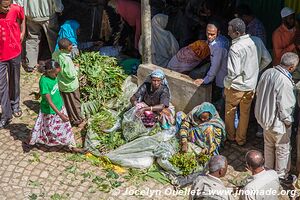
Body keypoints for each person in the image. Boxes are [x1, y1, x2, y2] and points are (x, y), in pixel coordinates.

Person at [255, 52, 299, 180]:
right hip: (278, 124)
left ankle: (268, 170)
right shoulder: (285, 81)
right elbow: (285, 107)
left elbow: (259, 91)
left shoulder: (267, 72)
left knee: (268, 145)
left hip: (265, 119)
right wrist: (288, 122)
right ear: (291, 67)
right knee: (282, 150)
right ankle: (280, 175)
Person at [29, 60, 83, 153]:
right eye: (55, 74)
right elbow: (49, 101)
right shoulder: (44, 82)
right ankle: (33, 139)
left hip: (59, 106)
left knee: (66, 128)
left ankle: (72, 146)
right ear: (49, 71)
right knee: (45, 128)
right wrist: (60, 114)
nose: (56, 76)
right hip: (50, 111)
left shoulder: (53, 76)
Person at [223, 18, 259, 146]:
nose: (228, 33)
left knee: (230, 112)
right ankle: (241, 140)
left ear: (237, 33)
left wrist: (226, 84)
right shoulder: (253, 42)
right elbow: (263, 60)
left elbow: (233, 72)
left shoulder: (235, 48)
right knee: (245, 114)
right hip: (250, 86)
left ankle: (230, 136)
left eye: (230, 31)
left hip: (236, 87)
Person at [16, 0, 64, 72]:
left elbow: (18, 2)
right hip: (48, 15)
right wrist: (59, 9)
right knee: (53, 38)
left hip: (30, 15)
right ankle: (57, 61)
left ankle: (30, 64)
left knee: (32, 38)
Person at [0, 0, 25, 128]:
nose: (8, 8)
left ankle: (15, 104)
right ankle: (6, 114)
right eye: (5, 6)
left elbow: (22, 17)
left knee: (14, 80)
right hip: (1, 57)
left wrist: (22, 32)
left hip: (15, 52)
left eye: (9, 5)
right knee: (1, 87)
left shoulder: (15, 9)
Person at [194, 21, 229, 107]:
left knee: (218, 103)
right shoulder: (220, 39)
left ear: (218, 32)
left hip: (221, 78)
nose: (209, 36)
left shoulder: (218, 47)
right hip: (220, 76)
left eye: (212, 34)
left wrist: (205, 80)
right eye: (208, 33)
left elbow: (215, 66)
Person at [52, 38, 84, 127]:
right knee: (75, 103)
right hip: (70, 86)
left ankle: (69, 117)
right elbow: (71, 75)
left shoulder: (56, 53)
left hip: (62, 84)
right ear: (63, 49)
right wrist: (76, 68)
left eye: (71, 46)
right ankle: (78, 120)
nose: (71, 48)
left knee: (67, 102)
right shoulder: (66, 60)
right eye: (69, 48)